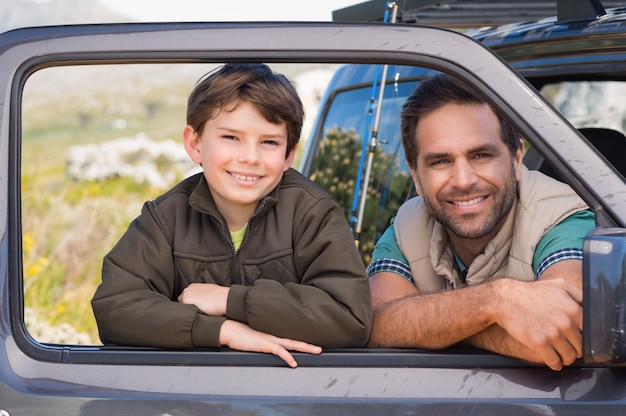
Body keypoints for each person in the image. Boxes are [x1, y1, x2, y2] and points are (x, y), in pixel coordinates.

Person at [91, 63, 372, 368]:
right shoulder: (165, 217)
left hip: (293, 391)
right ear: (195, 144)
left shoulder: (313, 212)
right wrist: (222, 330)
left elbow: (349, 317)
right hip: (197, 393)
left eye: (269, 142)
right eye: (231, 138)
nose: (250, 157)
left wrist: (229, 300)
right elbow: (115, 309)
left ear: (289, 154)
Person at [367, 73, 595, 371]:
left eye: (481, 155)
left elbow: (562, 332)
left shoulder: (564, 218)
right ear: (415, 175)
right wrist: (495, 301)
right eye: (441, 161)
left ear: (516, 160)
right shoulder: (406, 228)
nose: (463, 181)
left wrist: (430, 326)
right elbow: (373, 323)